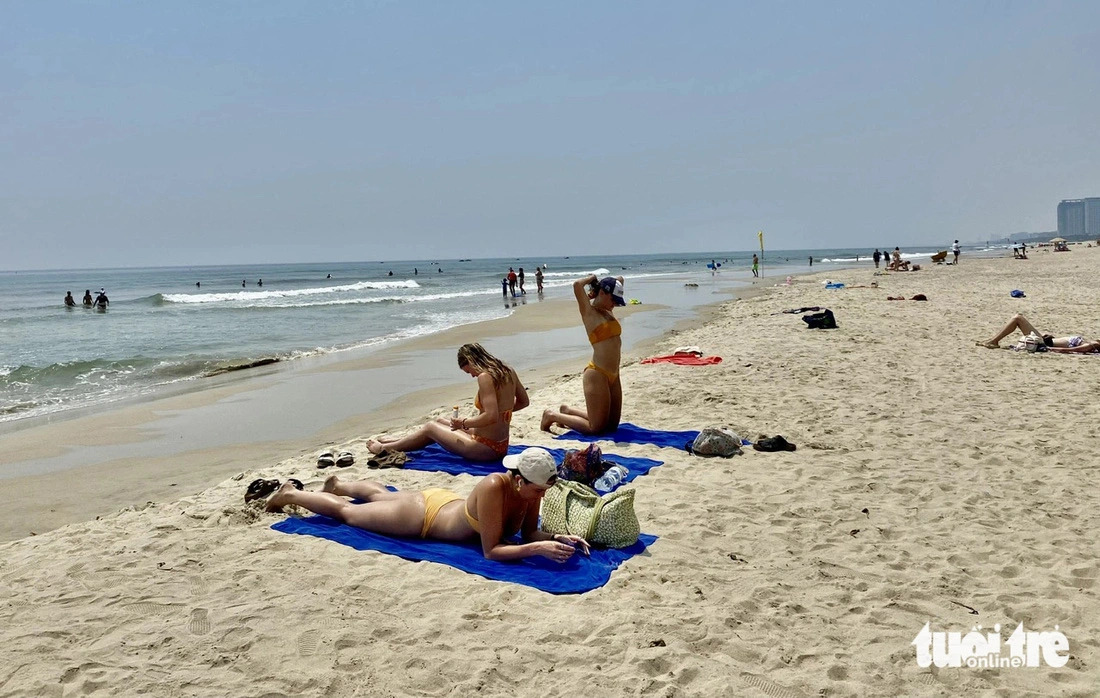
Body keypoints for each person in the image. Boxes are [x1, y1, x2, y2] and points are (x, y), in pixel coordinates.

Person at [264, 447, 589, 562]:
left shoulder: (528, 490)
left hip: (444, 503)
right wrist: (536, 550)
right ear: (520, 480)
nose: (542, 497)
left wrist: (556, 538)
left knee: (380, 496)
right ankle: (288, 493)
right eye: (538, 491)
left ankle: (340, 484)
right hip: (421, 518)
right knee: (346, 512)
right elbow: (492, 551)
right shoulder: (494, 486)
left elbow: (529, 533)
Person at [368, 343, 529, 460]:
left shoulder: (485, 377)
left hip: (485, 448)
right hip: (500, 445)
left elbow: (490, 416)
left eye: (469, 371)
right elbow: (523, 402)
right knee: (440, 421)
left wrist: (464, 423)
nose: (472, 375)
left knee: (431, 428)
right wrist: (504, 412)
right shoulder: (508, 370)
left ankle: (383, 448)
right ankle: (398, 442)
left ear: (472, 362)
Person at [541, 275, 625, 435]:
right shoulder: (589, 312)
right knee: (596, 427)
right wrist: (593, 278)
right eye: (613, 299)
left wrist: (605, 285)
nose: (615, 304)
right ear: (602, 293)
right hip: (598, 373)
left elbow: (620, 279)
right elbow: (577, 285)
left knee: (612, 425)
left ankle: (567, 410)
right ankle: (551, 415)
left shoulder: (608, 311)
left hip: (615, 373)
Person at [977, 314, 1099, 352]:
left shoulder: (1094, 344)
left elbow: (1075, 350)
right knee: (1018, 319)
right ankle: (993, 340)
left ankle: (993, 341)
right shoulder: (1095, 344)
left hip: (1043, 343)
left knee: (1018, 318)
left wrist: (1050, 348)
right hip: (1046, 341)